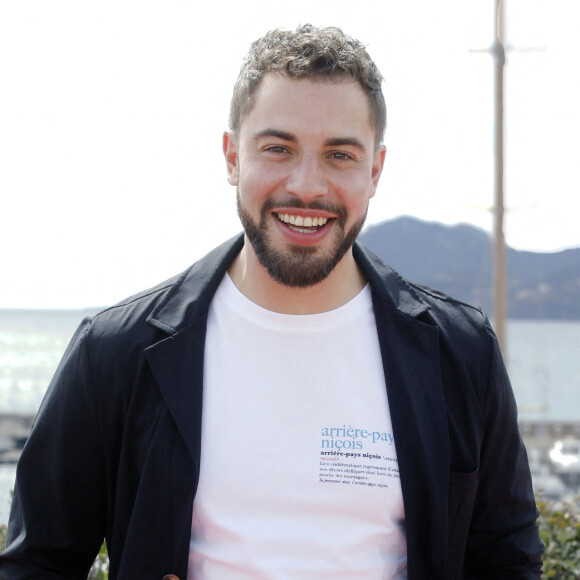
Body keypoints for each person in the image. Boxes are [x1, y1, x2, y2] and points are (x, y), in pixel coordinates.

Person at [0, 24, 543, 580]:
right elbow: (36, 564)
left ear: (375, 170)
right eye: (278, 148)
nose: (307, 186)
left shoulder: (460, 353)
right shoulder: (115, 353)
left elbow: (508, 561)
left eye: (339, 155)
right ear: (233, 156)